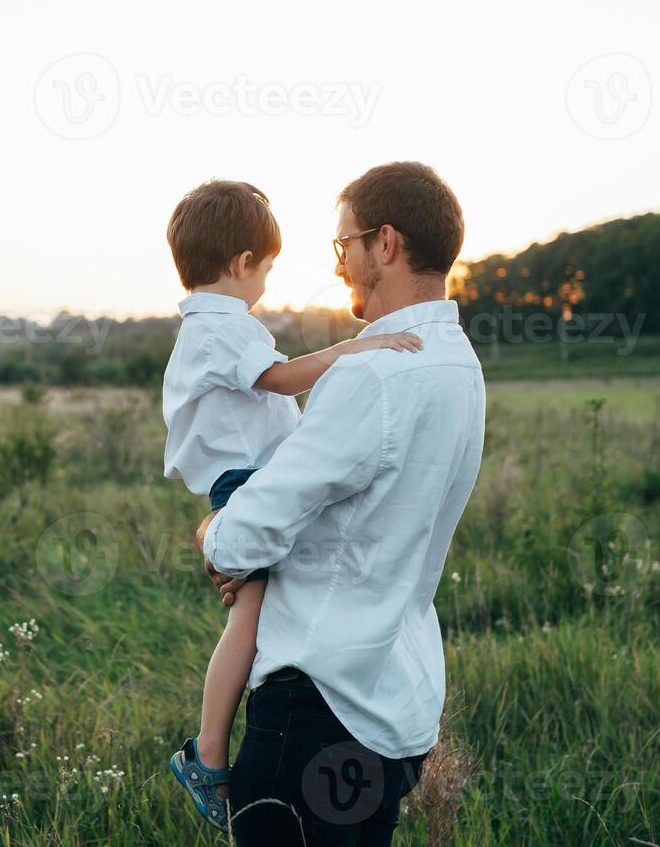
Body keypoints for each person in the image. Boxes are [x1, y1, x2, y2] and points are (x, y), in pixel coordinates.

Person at [200, 162, 486, 846]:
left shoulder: (371, 374)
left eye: (343, 246)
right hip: (397, 705)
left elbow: (241, 539)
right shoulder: (459, 362)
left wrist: (214, 529)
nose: (339, 267)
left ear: (383, 244)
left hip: (318, 704)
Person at [161, 178, 423, 832]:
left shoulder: (207, 325)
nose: (266, 284)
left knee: (260, 614)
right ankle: (209, 751)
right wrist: (352, 351)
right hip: (246, 485)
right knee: (247, 622)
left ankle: (223, 744)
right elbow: (279, 377)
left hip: (251, 483)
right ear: (241, 264)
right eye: (267, 269)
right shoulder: (221, 326)